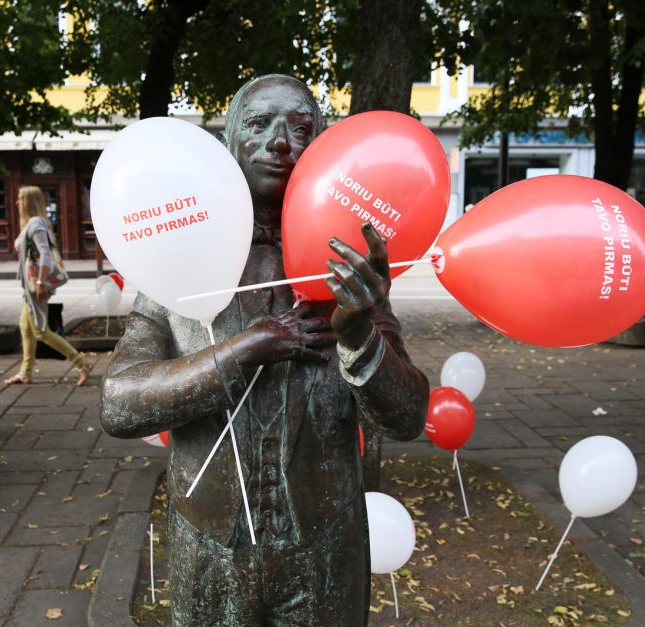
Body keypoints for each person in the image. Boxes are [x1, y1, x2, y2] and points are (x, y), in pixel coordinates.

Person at [100, 75, 429, 624]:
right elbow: (119, 403)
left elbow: (407, 417)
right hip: (210, 544)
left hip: (323, 542)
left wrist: (358, 337)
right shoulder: (178, 257)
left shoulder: (350, 268)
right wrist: (242, 350)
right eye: (261, 124)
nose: (282, 141)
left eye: (301, 128)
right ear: (229, 142)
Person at [4, 185, 92, 386]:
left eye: (20, 199)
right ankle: (25, 373)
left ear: (27, 201)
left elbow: (44, 253)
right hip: (32, 285)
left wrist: (42, 282)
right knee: (26, 328)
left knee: (40, 330)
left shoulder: (35, 224)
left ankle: (81, 363)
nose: (17, 203)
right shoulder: (33, 223)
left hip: (37, 285)